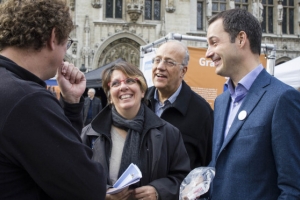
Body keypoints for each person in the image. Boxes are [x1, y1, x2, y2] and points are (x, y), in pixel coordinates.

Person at [0, 0, 106, 199]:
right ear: (53, 36)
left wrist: (71, 104)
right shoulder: (26, 99)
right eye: (67, 44)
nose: (66, 53)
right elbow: (88, 187)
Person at [205, 8, 300, 199]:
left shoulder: (282, 98)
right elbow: (221, 167)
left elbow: (293, 188)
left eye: (214, 43)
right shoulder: (222, 101)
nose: (208, 53)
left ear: (241, 39)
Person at [81, 61, 190, 199]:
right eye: (115, 83)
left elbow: (183, 178)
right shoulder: (90, 134)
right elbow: (77, 178)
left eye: (130, 80)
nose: (123, 87)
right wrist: (103, 193)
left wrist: (159, 191)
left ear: (143, 91)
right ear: (110, 97)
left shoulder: (168, 133)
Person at [146, 40, 214, 169]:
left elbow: (207, 165)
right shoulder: (140, 101)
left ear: (183, 71)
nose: (160, 66)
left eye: (169, 62)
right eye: (157, 60)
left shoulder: (202, 112)